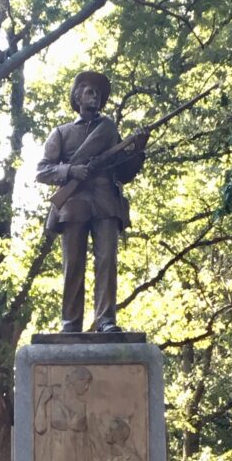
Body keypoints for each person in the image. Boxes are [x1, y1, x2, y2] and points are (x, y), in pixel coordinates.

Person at [36, 70, 148, 333]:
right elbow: (42, 170)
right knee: (73, 264)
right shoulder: (61, 133)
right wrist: (70, 171)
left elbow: (124, 173)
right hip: (74, 204)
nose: (95, 96)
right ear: (77, 96)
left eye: (98, 93)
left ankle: (106, 320)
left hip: (106, 202)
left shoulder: (109, 130)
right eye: (89, 91)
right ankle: (70, 324)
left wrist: (139, 148)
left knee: (107, 260)